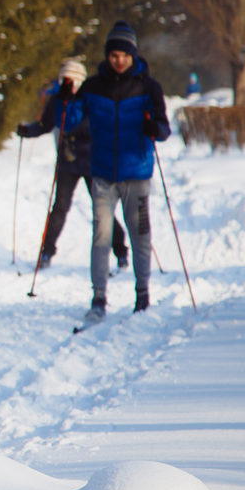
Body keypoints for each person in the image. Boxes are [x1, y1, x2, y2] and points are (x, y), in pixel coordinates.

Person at [64, 21, 170, 322]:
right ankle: (98, 298)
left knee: (140, 235)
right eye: (114, 55)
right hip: (102, 173)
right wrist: (66, 97)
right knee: (101, 235)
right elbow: (70, 121)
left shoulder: (148, 87)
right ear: (107, 56)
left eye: (124, 55)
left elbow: (164, 128)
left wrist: (155, 128)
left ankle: (143, 294)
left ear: (133, 55)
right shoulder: (93, 87)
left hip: (136, 172)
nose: (119, 60)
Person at [16, 56, 126, 272]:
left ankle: (120, 251)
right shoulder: (57, 101)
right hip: (67, 161)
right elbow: (45, 125)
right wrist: (27, 131)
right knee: (59, 208)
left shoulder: (91, 99)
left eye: (70, 80)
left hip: (92, 160)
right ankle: (46, 252)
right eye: (63, 79)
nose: (66, 83)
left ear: (78, 81)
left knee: (102, 207)